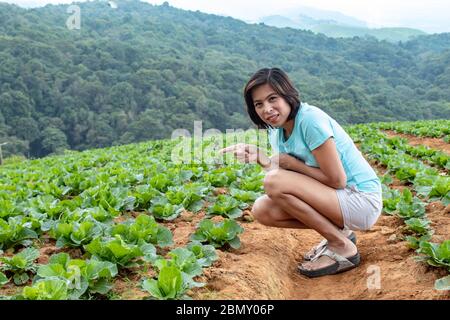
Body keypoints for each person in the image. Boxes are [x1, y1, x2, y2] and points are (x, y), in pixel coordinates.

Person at [220, 67, 382, 277]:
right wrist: (261, 157)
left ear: (287, 95)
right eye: (258, 104)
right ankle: (340, 234)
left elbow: (337, 180)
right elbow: (290, 181)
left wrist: (294, 166)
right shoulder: (276, 130)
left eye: (272, 98)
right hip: (335, 198)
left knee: (273, 182)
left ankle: (342, 246)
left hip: (361, 199)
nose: (267, 109)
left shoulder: (309, 121)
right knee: (262, 209)